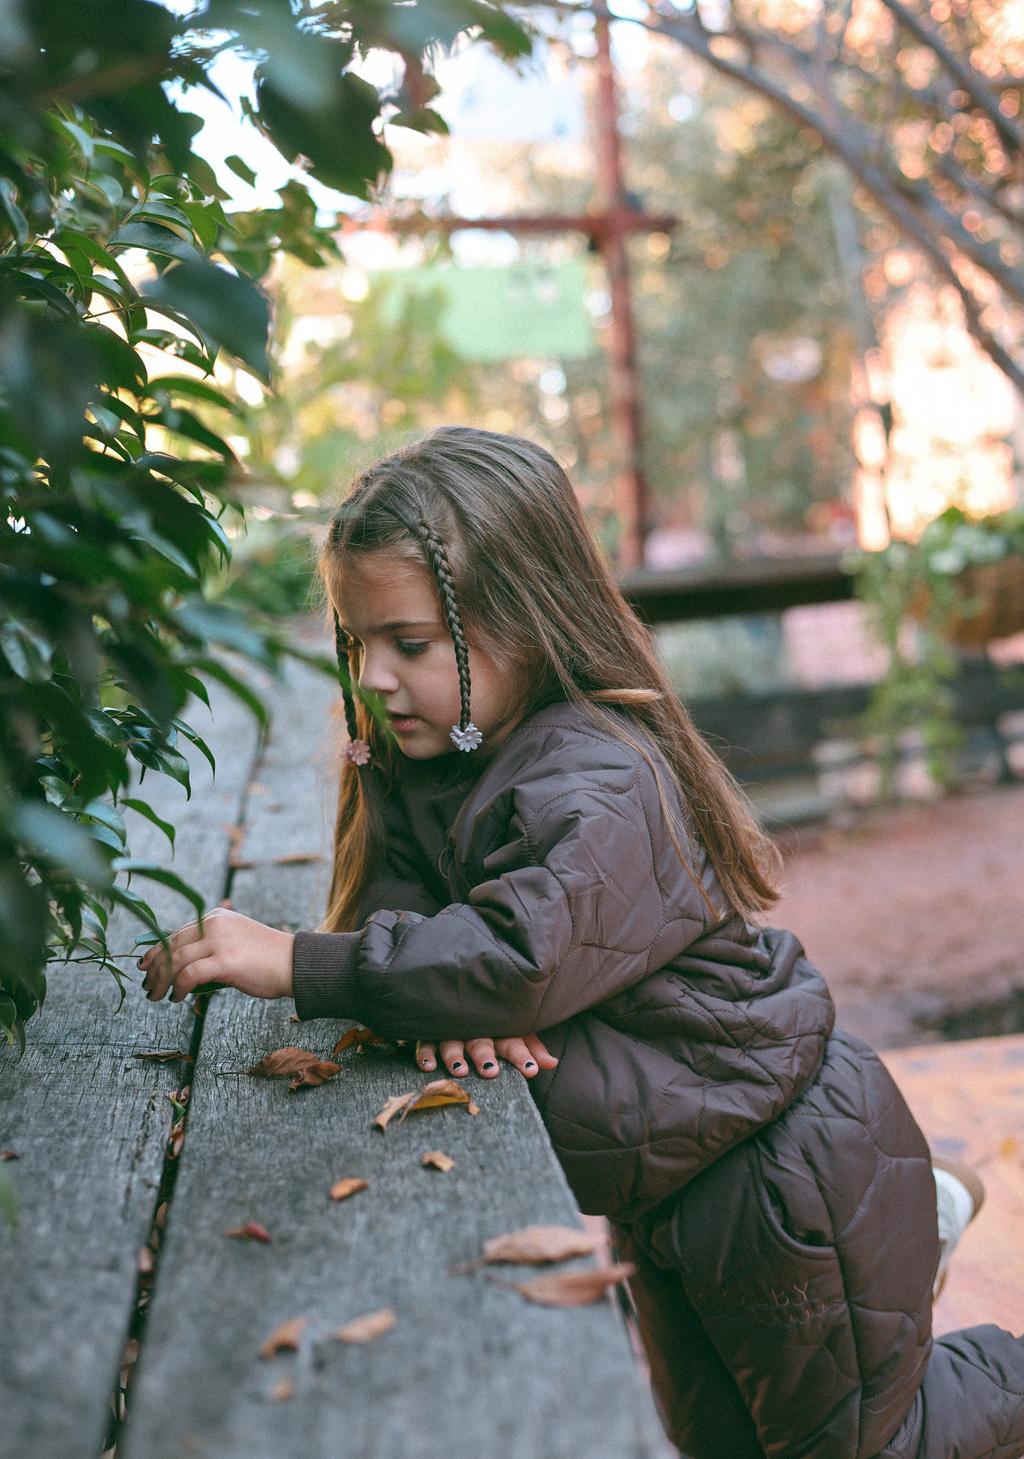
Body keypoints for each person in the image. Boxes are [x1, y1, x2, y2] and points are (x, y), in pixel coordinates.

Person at [140, 427, 1024, 1459]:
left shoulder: (596, 777)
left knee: (864, 1447)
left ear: (525, 622)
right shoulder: (436, 762)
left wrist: (304, 964)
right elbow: (424, 930)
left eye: (409, 644)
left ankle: (955, 1288)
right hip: (665, 1187)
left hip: (777, 1174)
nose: (373, 675)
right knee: (715, 1444)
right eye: (355, 641)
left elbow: (513, 961)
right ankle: (925, 1225)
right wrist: (439, 1002)